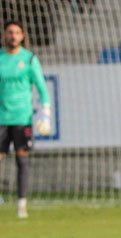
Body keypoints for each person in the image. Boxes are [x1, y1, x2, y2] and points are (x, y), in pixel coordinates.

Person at [0, 20, 51, 218]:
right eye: (9, 32)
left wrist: (45, 115)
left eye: (17, 32)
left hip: (22, 118)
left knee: (22, 161)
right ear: (5, 35)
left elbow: (42, 89)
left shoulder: (29, 59)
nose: (13, 36)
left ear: (22, 36)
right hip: (2, 117)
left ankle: (21, 204)